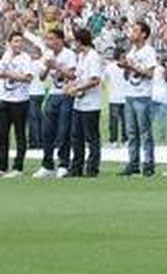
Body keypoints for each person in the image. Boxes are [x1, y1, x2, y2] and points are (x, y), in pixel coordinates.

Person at [33, 28, 76, 179]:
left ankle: (63, 164)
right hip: (52, 94)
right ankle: (47, 164)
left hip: (66, 94)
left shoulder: (69, 54)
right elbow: (42, 77)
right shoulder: (48, 54)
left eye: (51, 39)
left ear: (60, 40)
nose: (49, 42)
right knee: (47, 131)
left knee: (63, 131)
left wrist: (56, 66)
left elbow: (72, 75)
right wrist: (47, 67)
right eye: (47, 39)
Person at [118, 21, 157, 177]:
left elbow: (150, 74)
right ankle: (133, 162)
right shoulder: (132, 51)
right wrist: (125, 68)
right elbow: (127, 76)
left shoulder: (149, 51)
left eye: (135, 30)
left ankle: (148, 163)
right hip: (130, 94)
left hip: (142, 95)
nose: (132, 33)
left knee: (145, 132)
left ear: (143, 34)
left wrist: (132, 67)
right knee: (131, 132)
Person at [66, 28, 103, 178]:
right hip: (79, 103)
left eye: (75, 41)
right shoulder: (81, 56)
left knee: (91, 137)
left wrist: (77, 88)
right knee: (76, 137)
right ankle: (76, 167)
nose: (73, 44)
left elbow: (95, 80)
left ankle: (92, 168)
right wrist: (71, 85)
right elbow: (78, 76)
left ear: (80, 42)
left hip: (91, 104)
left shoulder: (93, 57)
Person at [0, 31, 35, 177]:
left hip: (20, 101)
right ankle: (2, 166)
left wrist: (10, 75)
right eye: (15, 41)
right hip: (4, 99)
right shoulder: (6, 56)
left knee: (20, 134)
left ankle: (18, 167)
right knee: (2, 135)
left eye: (20, 41)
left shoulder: (25, 58)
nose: (18, 44)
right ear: (9, 43)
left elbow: (28, 78)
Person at [104, 46, 129, 147]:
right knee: (114, 121)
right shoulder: (111, 67)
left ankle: (124, 139)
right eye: (123, 56)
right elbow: (104, 78)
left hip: (124, 97)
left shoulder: (127, 67)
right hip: (115, 97)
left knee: (124, 121)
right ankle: (114, 140)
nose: (125, 58)